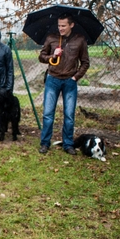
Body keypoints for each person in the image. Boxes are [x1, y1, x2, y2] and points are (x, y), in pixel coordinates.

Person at [37, 15, 90, 155]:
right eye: (59, 25)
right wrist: (52, 56)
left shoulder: (80, 40)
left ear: (71, 25)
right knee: (48, 114)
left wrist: (75, 77)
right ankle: (44, 143)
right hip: (52, 79)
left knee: (69, 115)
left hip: (69, 82)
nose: (60, 28)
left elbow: (85, 62)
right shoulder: (51, 38)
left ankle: (68, 144)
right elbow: (41, 57)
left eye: (63, 26)